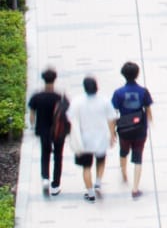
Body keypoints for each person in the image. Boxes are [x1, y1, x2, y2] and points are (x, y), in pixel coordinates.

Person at [112, 61, 153, 197]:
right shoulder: (143, 91)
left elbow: (113, 113)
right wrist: (149, 122)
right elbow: (148, 110)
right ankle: (135, 188)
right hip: (140, 128)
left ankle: (124, 173)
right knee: (138, 156)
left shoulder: (118, 93)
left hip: (124, 128)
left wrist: (112, 130)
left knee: (123, 152)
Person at [72, 74, 115, 200]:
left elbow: (70, 117)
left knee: (86, 167)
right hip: (101, 137)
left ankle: (90, 193)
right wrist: (112, 134)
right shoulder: (104, 101)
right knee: (101, 160)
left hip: (84, 139)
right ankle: (98, 182)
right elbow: (111, 119)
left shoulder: (77, 101)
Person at [27, 66, 68, 195]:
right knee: (58, 156)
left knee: (45, 153)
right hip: (58, 131)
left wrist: (32, 127)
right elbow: (67, 114)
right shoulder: (60, 96)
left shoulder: (36, 97)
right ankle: (55, 185)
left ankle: (45, 178)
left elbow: (32, 115)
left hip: (43, 129)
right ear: (54, 79)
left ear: (43, 79)